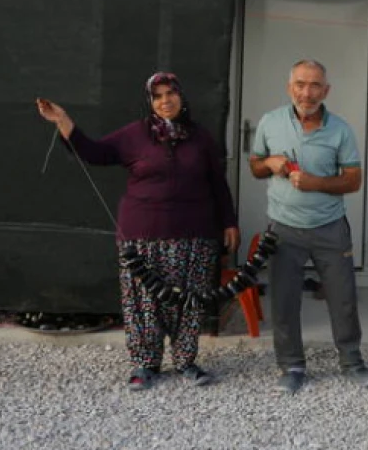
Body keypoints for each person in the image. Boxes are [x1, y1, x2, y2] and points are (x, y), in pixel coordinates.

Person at [35, 72, 240, 391]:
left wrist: (229, 222)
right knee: (143, 302)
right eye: (157, 96)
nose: (165, 101)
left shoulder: (200, 138)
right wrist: (62, 119)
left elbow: (218, 184)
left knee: (189, 302)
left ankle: (186, 362)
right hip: (141, 236)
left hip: (195, 236)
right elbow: (94, 152)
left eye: (171, 93)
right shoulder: (134, 135)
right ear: (150, 102)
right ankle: (145, 364)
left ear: (181, 97)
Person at [248, 59, 368, 394]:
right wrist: (269, 163)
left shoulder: (340, 129)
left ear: (326, 90)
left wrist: (316, 183)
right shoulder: (270, 122)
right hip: (283, 227)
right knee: (285, 300)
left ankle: (352, 362)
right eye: (301, 84)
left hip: (330, 227)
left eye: (315, 85)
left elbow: (354, 180)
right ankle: (291, 365)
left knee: (343, 298)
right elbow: (255, 166)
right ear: (290, 87)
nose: (307, 92)